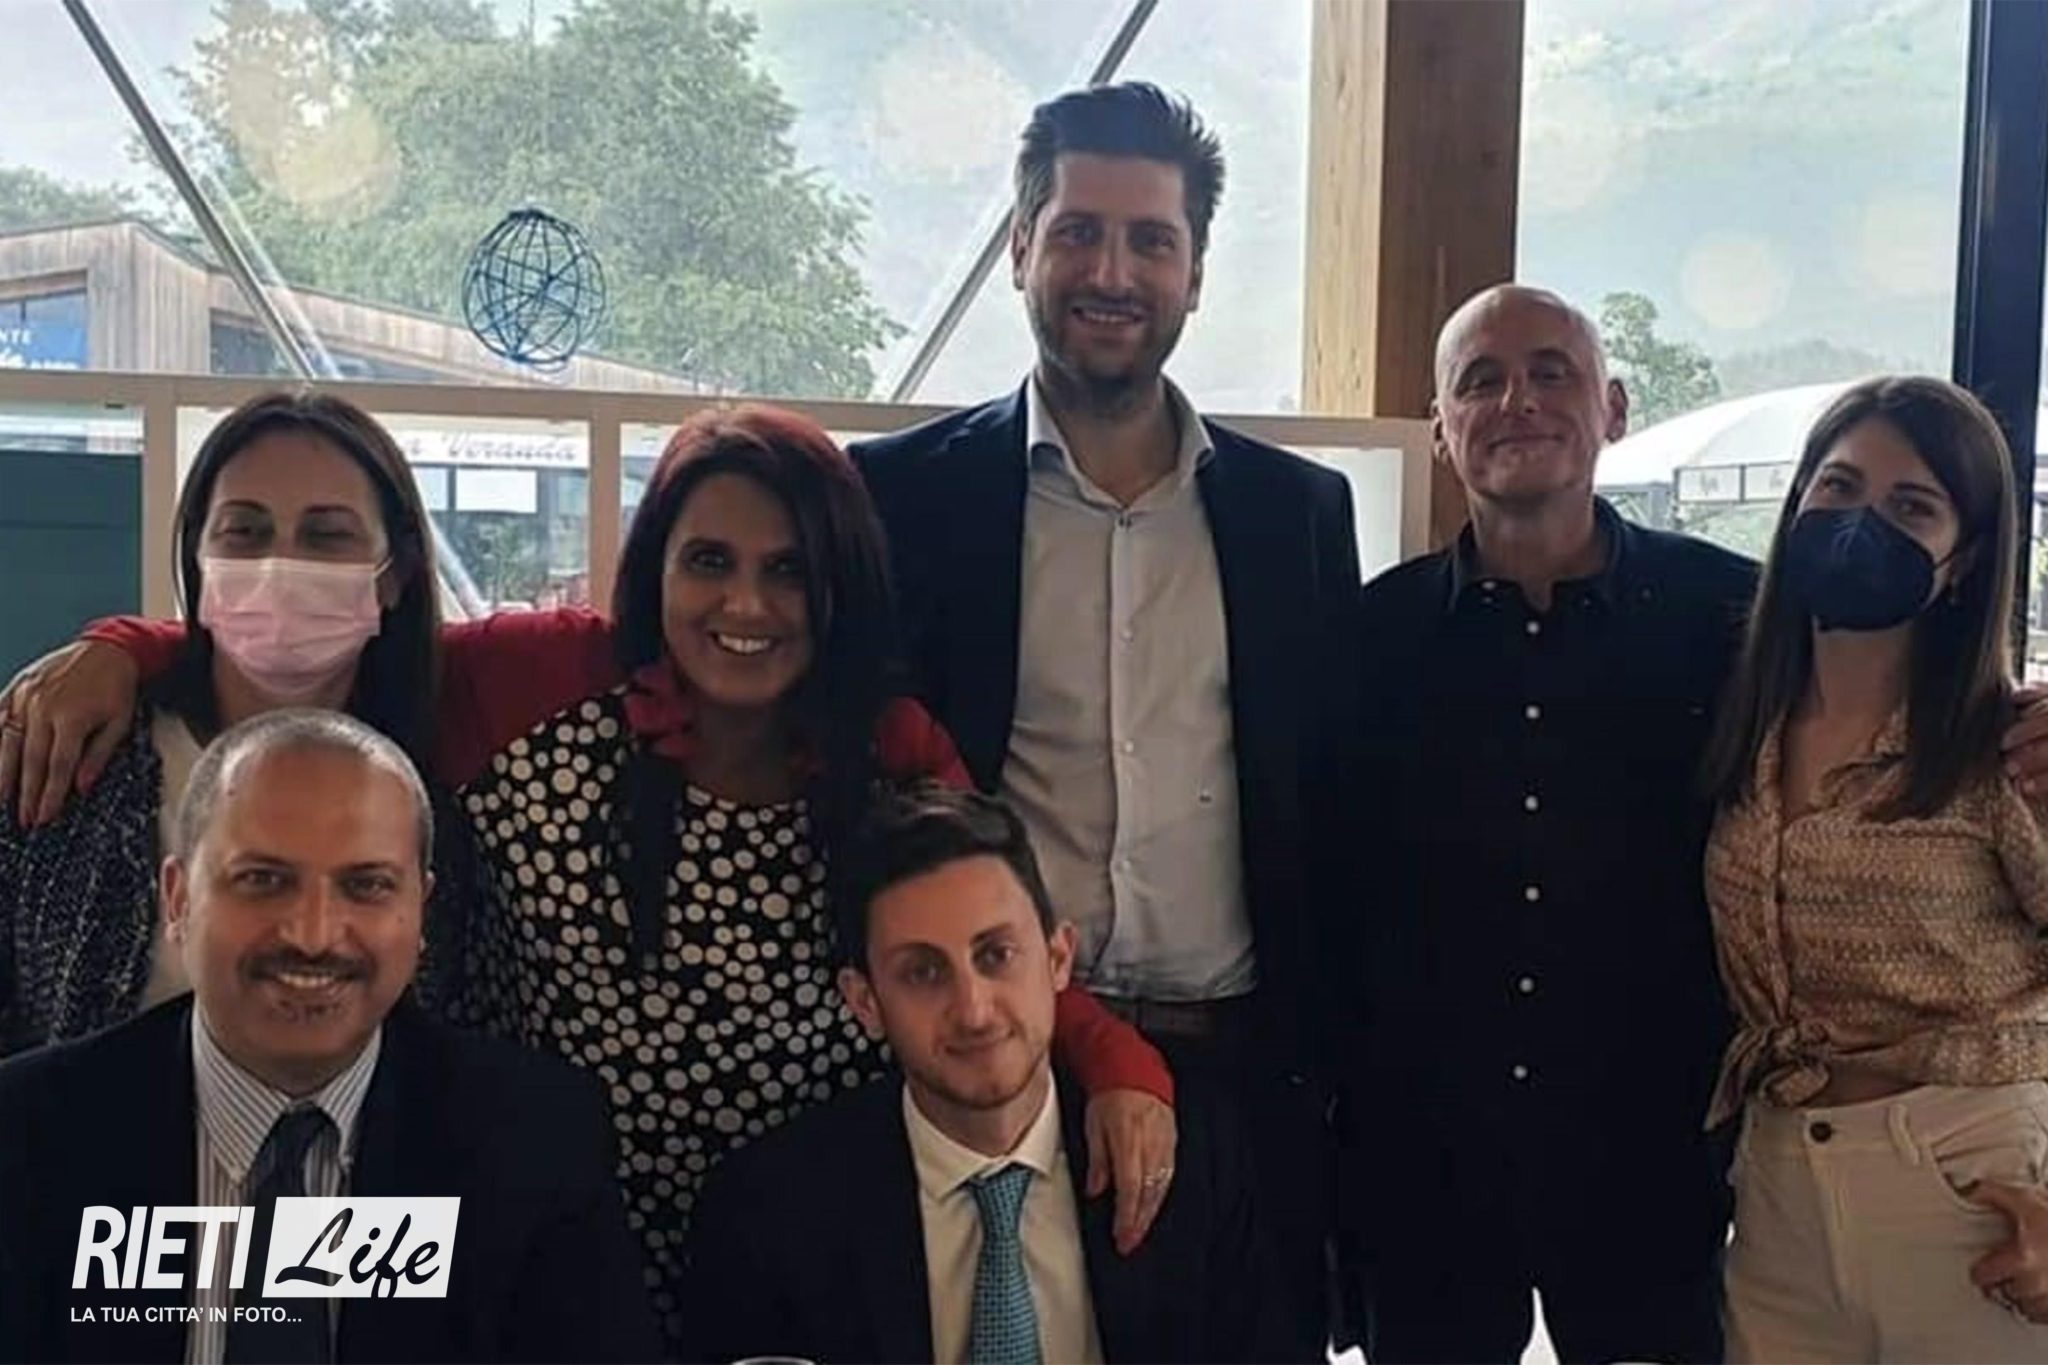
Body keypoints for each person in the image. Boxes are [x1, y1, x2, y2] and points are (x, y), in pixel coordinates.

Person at [1, 405, 1178, 1355]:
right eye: (707, 560)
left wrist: (1115, 1062)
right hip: (505, 1226)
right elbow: (331, 654)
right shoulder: (543, 683)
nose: (745, 603)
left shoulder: (886, 751)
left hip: (804, 1261)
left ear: (840, 586)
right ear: (653, 569)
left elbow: (990, 932)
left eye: (789, 569)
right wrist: (133, 647)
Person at [1344, 284, 2048, 1363]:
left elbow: (1905, 680)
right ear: (1439, 428)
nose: (1516, 399)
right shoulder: (1371, 635)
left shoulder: (1733, 622)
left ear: (1614, 407)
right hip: (1438, 1165)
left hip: (1666, 1165)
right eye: (1480, 380)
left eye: (1551, 372)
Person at [851, 83, 1357, 1350]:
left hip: (1242, 1069)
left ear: (1195, 273)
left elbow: (1324, 801)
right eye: (1076, 231)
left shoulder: (1298, 517)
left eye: (1149, 240)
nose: (1111, 273)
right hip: (989, 1055)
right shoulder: (900, 500)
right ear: (1019, 247)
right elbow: (881, 793)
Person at [0, 709, 660, 1363]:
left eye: (366, 885)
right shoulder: (28, 1130)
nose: (313, 935)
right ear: (177, 899)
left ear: (420, 911)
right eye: (263, 880)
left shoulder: (534, 1140)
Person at [678, 783, 1298, 1365]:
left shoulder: (1198, 1159)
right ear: (865, 1002)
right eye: (923, 972)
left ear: (1058, 958)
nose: (973, 1011)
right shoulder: (769, 1212)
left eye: (996, 955)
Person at [1699, 375, 2048, 1360]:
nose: (1862, 525)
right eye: (1839, 487)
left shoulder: (2007, 750)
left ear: (1961, 558)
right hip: (1778, 1190)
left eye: (1912, 507)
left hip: (1974, 1190)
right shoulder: (1743, 735)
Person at [0, 389, 445, 1055]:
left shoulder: (442, 775)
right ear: (198, 556)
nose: (278, 565)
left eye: (327, 535)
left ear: (394, 574)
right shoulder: (69, 755)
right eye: (245, 531)